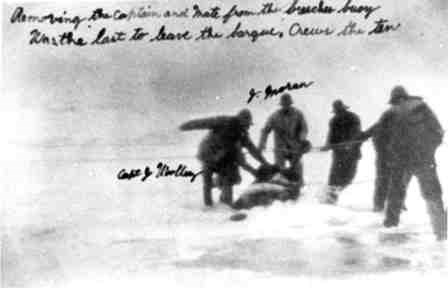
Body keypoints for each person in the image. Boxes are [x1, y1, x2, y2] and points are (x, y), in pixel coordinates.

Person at [368, 86, 445, 240]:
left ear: (396, 99)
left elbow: (378, 134)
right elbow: (438, 131)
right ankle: (442, 231)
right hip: (424, 159)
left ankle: (390, 227)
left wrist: (389, 153)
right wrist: (429, 149)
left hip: (401, 160)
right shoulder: (423, 108)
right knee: (433, 194)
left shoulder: (391, 112)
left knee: (396, 193)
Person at [179, 109, 268, 207]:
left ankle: (225, 201)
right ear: (240, 120)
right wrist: (186, 126)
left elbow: (252, 150)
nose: (248, 127)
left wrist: (264, 163)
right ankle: (208, 206)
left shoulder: (242, 135)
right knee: (207, 182)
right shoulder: (224, 121)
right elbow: (203, 122)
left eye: (248, 125)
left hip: (224, 159)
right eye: (246, 124)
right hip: (208, 154)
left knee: (232, 178)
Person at [258, 93, 309, 188]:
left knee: (297, 168)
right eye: (284, 104)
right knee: (280, 170)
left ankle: (298, 187)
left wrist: (302, 139)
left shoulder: (298, 114)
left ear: (291, 104)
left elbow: (304, 128)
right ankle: (282, 188)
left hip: (294, 147)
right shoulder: (274, 116)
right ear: (281, 105)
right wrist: (262, 144)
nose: (286, 106)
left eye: (288, 104)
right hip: (280, 148)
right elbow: (265, 130)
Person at [320, 100, 362, 204]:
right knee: (334, 177)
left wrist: (350, 144)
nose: (339, 113)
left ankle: (333, 193)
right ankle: (329, 198)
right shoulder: (333, 121)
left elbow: (357, 133)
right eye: (337, 111)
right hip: (338, 154)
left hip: (352, 153)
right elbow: (331, 136)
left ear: (344, 109)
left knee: (349, 177)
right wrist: (327, 146)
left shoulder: (354, 118)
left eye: (340, 110)